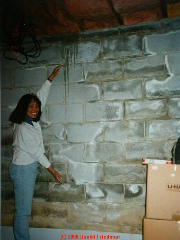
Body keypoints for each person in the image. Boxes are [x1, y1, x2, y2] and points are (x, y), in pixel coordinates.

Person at [9, 65, 64, 240]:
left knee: (23, 209)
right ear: (23, 108)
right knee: (23, 211)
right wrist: (53, 171)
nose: (35, 109)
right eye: (31, 106)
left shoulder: (30, 120)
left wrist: (50, 78)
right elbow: (38, 154)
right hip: (23, 169)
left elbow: (41, 97)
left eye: (36, 106)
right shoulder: (23, 128)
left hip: (26, 167)